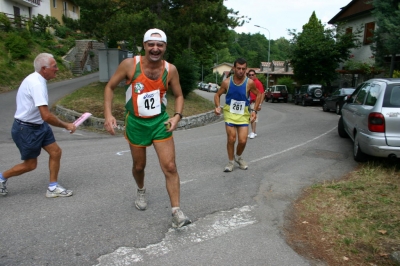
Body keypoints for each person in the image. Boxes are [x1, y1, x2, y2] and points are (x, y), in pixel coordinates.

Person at [103, 28, 191, 228]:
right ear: (144, 46)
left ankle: (177, 212)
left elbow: (179, 95)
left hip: (160, 122)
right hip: (136, 123)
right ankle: (141, 189)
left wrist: (177, 116)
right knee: (139, 166)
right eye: (151, 44)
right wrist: (108, 114)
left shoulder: (171, 70)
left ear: (165, 47)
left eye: (159, 45)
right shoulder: (129, 65)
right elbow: (109, 87)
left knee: (170, 167)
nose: (155, 48)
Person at [0, 53, 76, 198]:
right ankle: (1, 177)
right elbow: (46, 115)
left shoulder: (38, 79)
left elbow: (43, 117)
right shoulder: (36, 84)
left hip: (38, 125)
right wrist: (66, 125)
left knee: (56, 152)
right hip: (26, 128)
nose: (57, 69)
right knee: (30, 165)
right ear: (44, 69)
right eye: (54, 67)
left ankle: (53, 188)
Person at [214, 58, 262, 172]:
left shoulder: (249, 82)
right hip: (230, 112)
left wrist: (254, 111)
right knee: (231, 138)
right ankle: (230, 162)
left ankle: (238, 157)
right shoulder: (226, 82)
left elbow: (259, 94)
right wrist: (217, 106)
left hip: (243, 113)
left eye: (243, 69)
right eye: (239, 68)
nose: (241, 71)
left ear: (246, 69)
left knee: (243, 140)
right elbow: (217, 95)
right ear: (234, 68)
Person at [247, 69, 265, 139]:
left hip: (255, 102)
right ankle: (253, 132)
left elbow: (262, 93)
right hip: (250, 102)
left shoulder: (257, 83)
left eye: (252, 75)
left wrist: (260, 104)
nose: (251, 76)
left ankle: (253, 132)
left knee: (253, 117)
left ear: (255, 75)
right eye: (250, 75)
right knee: (251, 117)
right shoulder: (249, 83)